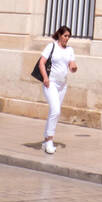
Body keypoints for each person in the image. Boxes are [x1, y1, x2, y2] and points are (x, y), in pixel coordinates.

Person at [39, 25, 77, 154]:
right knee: (55, 110)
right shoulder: (52, 46)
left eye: (68, 36)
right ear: (60, 35)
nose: (67, 38)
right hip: (51, 84)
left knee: (54, 112)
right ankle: (49, 140)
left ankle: (46, 140)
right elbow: (41, 63)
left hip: (62, 85)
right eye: (65, 36)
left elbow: (71, 64)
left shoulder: (70, 50)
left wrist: (73, 67)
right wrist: (45, 78)